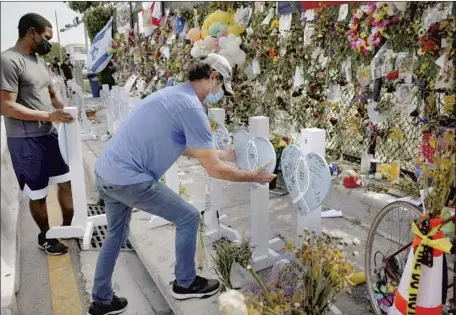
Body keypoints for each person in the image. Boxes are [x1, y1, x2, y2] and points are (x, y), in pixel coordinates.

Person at [87, 53, 275, 315]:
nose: (219, 92)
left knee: (115, 236)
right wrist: (252, 176)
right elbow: (214, 170)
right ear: (213, 77)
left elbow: (182, 144)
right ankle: (185, 283)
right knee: (188, 217)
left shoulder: (172, 94)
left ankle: (101, 301)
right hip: (130, 180)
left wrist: (222, 153)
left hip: (106, 172)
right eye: (220, 86)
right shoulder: (192, 107)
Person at [0, 13, 75, 255]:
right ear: (31, 33)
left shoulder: (39, 61)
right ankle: (46, 237)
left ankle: (66, 228)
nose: (48, 43)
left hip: (49, 135)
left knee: (66, 181)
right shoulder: (9, 61)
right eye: (46, 37)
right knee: (38, 192)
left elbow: (52, 95)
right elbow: (6, 106)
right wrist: (48, 117)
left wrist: (65, 111)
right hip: (25, 141)